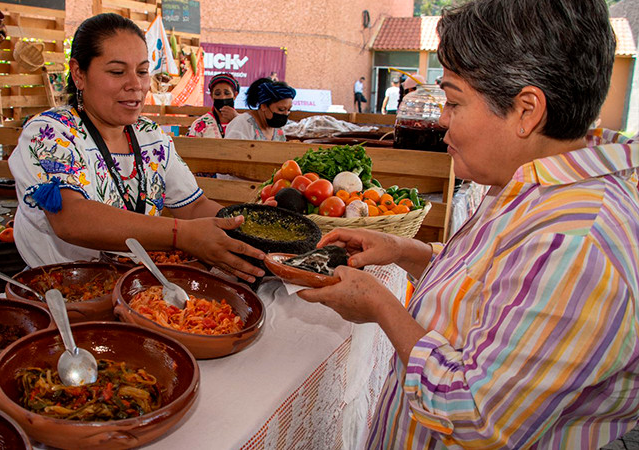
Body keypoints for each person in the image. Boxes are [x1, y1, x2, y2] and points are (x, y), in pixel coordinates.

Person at [298, 0, 639, 447]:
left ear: (526, 110)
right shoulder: (533, 182)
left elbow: (476, 415)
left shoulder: (574, 242)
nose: (441, 119)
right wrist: (407, 252)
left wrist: (383, 308)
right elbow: (498, 284)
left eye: (454, 101)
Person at [8, 14, 265, 283]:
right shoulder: (51, 132)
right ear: (79, 74)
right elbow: (71, 218)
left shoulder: (150, 137)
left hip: (140, 287)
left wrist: (248, 228)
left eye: (142, 71)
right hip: (63, 291)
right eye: (117, 72)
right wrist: (181, 235)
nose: (136, 85)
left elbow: (193, 206)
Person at [224, 77, 295, 142]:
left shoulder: (278, 128)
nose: (286, 114)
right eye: (281, 109)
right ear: (264, 106)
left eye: (289, 110)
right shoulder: (242, 125)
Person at [186, 73, 240, 139]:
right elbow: (191, 148)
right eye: (217, 94)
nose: (222, 97)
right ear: (211, 96)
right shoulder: (200, 124)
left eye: (227, 93)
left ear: (235, 95)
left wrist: (237, 119)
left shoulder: (244, 123)